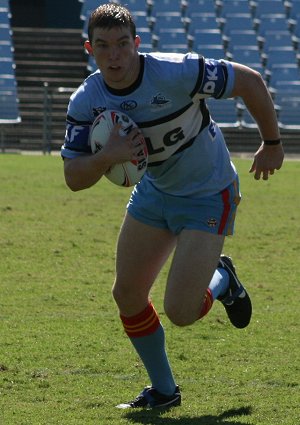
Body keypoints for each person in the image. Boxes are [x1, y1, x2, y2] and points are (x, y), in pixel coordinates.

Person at [61, 3, 284, 409]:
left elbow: (249, 82)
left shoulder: (177, 70)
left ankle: (222, 280)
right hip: (156, 192)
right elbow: (74, 178)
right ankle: (164, 392)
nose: (115, 55)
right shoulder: (85, 100)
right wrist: (105, 156)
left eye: (123, 44)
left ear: (137, 44)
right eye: (104, 45)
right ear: (89, 48)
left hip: (207, 192)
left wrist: (271, 143)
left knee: (181, 311)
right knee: (127, 293)